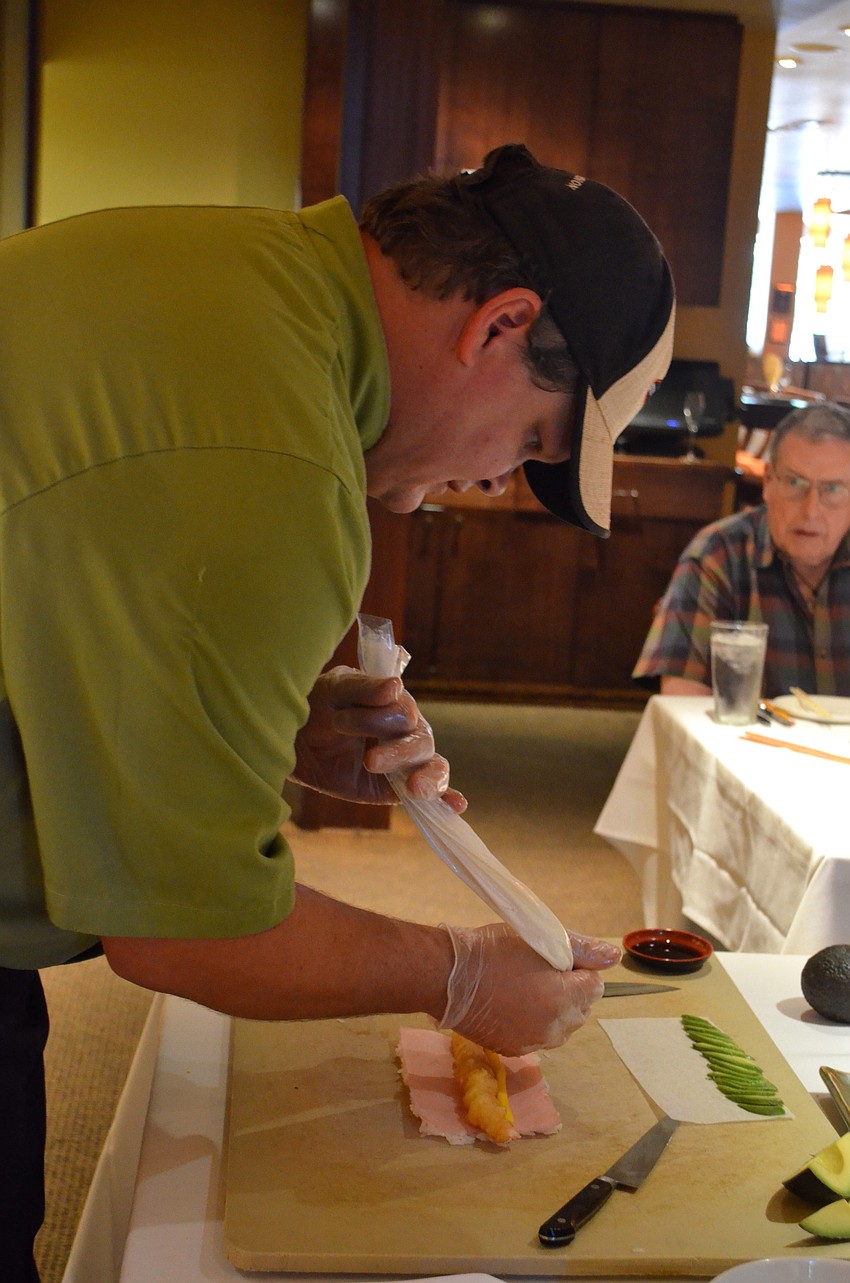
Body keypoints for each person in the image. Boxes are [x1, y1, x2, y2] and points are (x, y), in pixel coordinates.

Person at [0, 142, 674, 1279]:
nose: (492, 478)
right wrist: (459, 971)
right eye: (529, 442)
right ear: (500, 325)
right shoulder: (280, 464)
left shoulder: (212, 258)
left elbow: (60, 578)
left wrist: (266, 726)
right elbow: (185, 930)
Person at [634, 401, 850, 698]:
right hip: (743, 744)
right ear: (768, 483)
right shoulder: (718, 553)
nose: (811, 510)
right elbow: (682, 706)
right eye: (794, 482)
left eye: (834, 489)